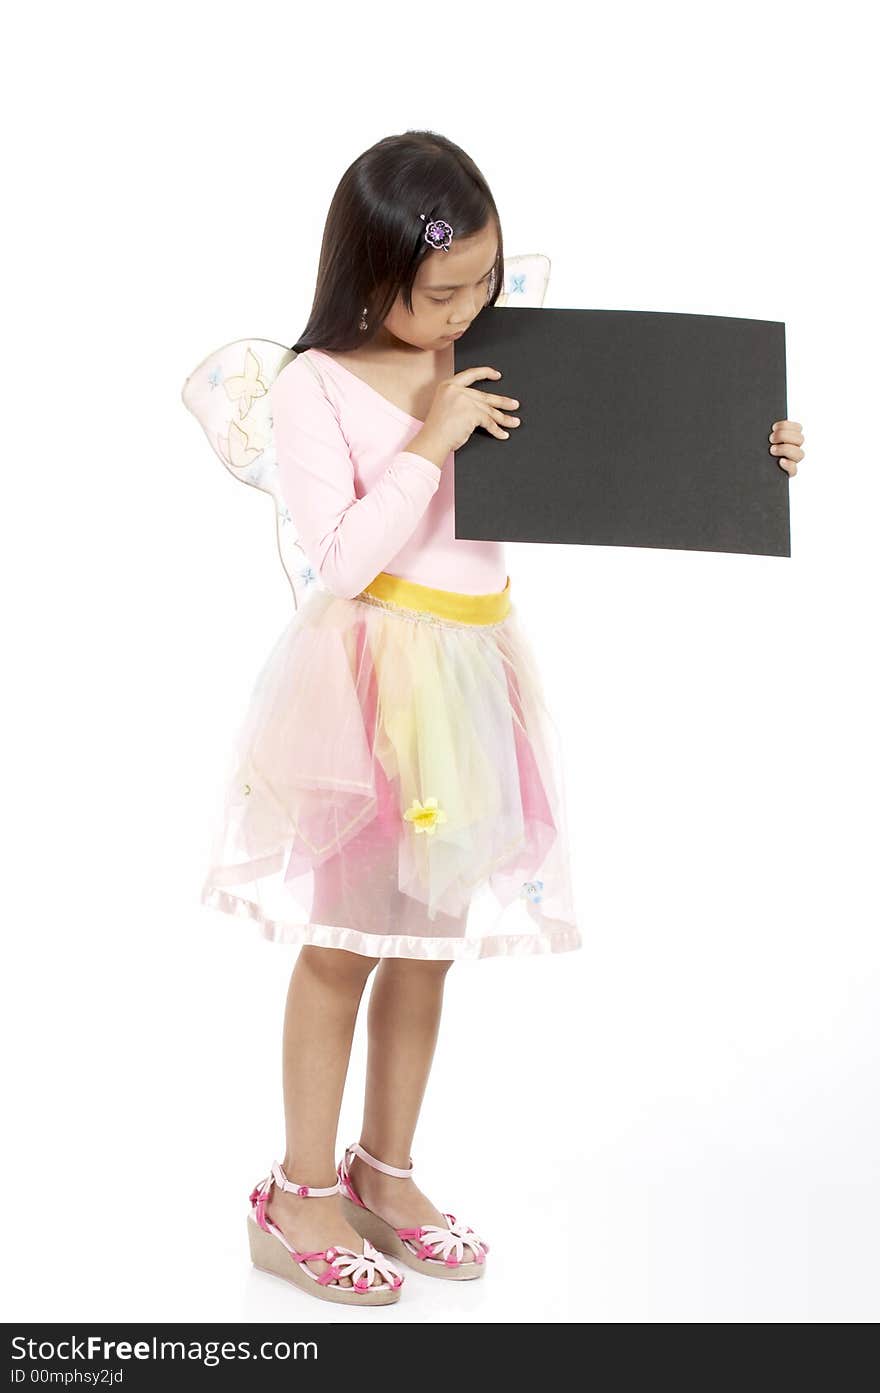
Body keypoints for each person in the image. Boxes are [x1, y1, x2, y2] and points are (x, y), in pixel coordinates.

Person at [199, 130, 805, 1308]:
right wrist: (430, 440)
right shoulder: (315, 385)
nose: (470, 306)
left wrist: (753, 454)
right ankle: (299, 1192)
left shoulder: (498, 350)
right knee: (342, 949)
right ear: (370, 275)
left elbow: (635, 449)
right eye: (442, 290)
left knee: (429, 951)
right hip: (368, 682)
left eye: (483, 280)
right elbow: (338, 564)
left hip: (475, 677)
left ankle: (386, 1173)